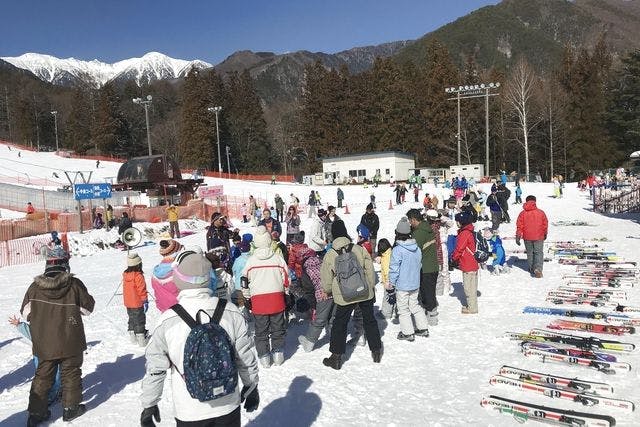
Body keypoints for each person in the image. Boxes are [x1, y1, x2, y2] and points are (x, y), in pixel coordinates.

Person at [140, 251, 260, 426]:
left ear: (178, 279)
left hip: (189, 410)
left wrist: (149, 403)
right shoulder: (231, 311)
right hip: (228, 405)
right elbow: (245, 356)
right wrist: (251, 387)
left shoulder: (167, 320)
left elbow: (155, 367)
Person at [21, 263, 95, 425]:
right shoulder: (74, 284)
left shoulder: (34, 287)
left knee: (43, 375)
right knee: (71, 372)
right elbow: (88, 309)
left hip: (44, 340)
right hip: (71, 338)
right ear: (65, 268)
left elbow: (25, 312)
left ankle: (36, 414)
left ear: (46, 269)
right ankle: (70, 409)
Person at [320, 220, 381, 370]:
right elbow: (370, 270)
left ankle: (336, 357)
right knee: (369, 320)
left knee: (339, 324)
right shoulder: (358, 249)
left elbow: (327, 279)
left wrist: (328, 290)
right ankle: (376, 351)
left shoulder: (330, 254)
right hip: (363, 291)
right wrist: (371, 286)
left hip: (344, 295)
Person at [242, 226, 289, 368]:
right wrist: (285, 293)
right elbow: (286, 279)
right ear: (269, 241)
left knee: (261, 330)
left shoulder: (251, 261)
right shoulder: (278, 259)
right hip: (277, 299)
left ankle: (264, 357)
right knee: (277, 327)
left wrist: (247, 297)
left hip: (258, 301)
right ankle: (278, 354)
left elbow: (244, 281)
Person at [389, 217, 430, 341]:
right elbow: (420, 265)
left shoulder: (397, 250)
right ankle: (423, 328)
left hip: (402, 284)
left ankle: (408, 332)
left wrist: (392, 282)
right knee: (415, 305)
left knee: (403, 309)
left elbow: (394, 268)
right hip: (414, 283)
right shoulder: (416, 248)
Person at [8, 315, 61, 405]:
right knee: (44, 377)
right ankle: (48, 395)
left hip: (54, 355)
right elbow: (30, 331)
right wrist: (19, 324)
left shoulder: (54, 330)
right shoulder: (38, 331)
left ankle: (54, 394)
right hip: (40, 357)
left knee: (55, 376)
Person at [296, 247, 334, 353]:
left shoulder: (306, 271)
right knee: (333, 317)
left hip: (322, 295)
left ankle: (309, 342)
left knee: (319, 320)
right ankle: (335, 337)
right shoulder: (323, 261)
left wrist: (314, 306)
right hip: (334, 292)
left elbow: (309, 291)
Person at [406, 208, 439, 325]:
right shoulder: (426, 227)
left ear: (414, 220)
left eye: (410, 221)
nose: (410, 224)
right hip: (433, 265)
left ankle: (432, 316)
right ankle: (430, 311)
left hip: (426, 267)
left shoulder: (419, 233)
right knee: (429, 291)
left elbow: (414, 250)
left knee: (427, 292)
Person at [451, 211, 479, 314]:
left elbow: (459, 248)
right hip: (473, 262)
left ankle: (472, 308)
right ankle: (473, 306)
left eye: (457, 221)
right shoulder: (469, 231)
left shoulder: (464, 233)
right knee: (473, 287)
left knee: (468, 288)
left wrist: (454, 258)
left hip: (468, 263)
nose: (456, 223)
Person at [516, 195, 549, 278]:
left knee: (530, 253)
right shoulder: (541, 212)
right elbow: (545, 224)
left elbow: (519, 226)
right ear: (535, 201)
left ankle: (531, 268)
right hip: (539, 236)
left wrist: (518, 236)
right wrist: (545, 233)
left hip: (527, 237)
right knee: (538, 253)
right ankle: (538, 268)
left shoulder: (522, 213)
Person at [123, 252, 149, 346]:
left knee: (132, 318)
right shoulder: (138, 276)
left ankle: (133, 337)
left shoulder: (125, 275)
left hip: (128, 302)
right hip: (137, 303)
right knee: (139, 320)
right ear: (138, 264)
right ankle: (141, 339)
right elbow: (141, 290)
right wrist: (145, 301)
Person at [426, 209, 452, 297]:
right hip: (433, 247)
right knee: (436, 269)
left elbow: (450, 223)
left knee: (444, 268)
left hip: (442, 246)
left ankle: (446, 288)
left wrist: (441, 217)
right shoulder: (429, 225)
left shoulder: (442, 224)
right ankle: (437, 288)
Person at [151, 239, 183, 312]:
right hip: (181, 310)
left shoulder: (155, 272)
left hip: (164, 310)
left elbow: (157, 293)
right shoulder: (179, 270)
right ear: (176, 253)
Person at [376, 238, 395, 320]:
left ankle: (386, 314)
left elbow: (387, 271)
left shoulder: (386, 258)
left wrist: (387, 282)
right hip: (394, 280)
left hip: (389, 281)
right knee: (394, 296)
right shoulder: (389, 253)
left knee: (387, 297)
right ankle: (394, 311)